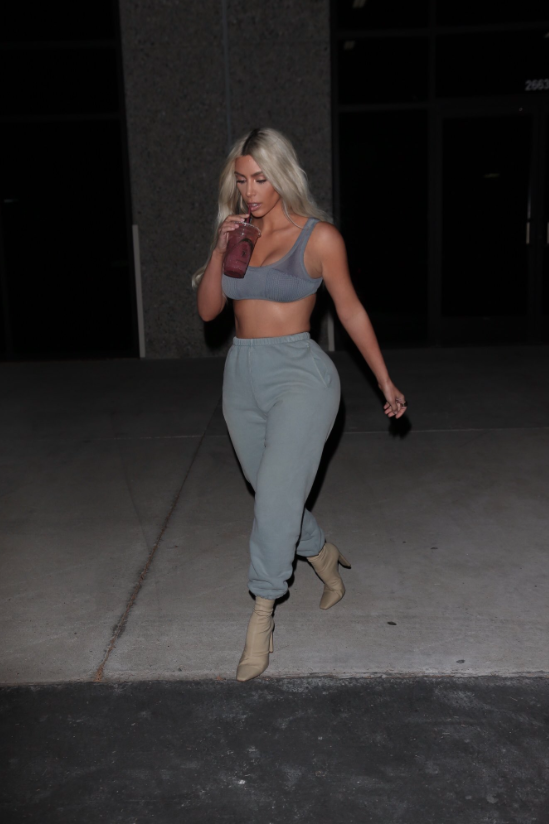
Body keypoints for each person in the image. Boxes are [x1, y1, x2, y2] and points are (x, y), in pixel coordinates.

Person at [193, 127, 406, 682]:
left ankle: (262, 612)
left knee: (272, 504)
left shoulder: (319, 238)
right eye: (242, 181)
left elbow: (351, 311)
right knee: (273, 492)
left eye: (260, 179)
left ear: (283, 175)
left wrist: (384, 380)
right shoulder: (237, 233)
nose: (250, 191)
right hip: (242, 376)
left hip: (300, 377)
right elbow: (210, 312)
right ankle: (322, 554)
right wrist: (218, 249)